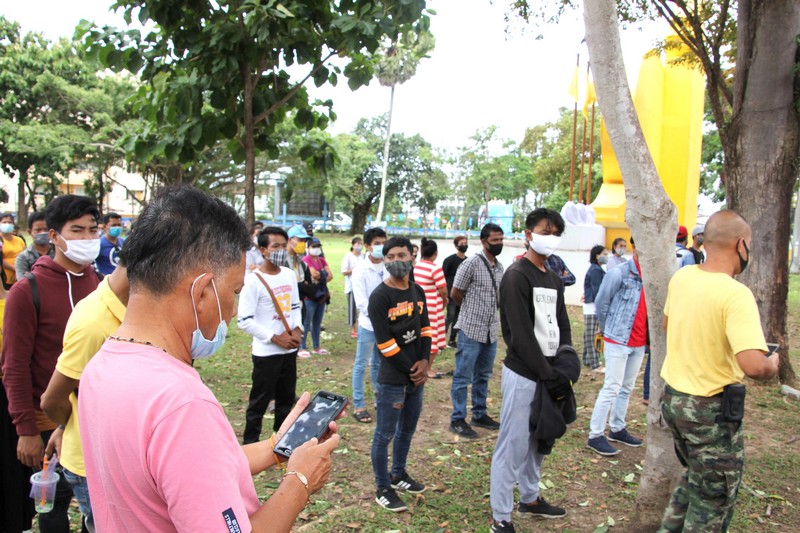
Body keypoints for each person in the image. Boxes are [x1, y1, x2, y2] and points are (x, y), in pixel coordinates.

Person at [78, 185, 339, 532]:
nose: (231, 311)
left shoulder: (101, 366)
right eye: (234, 291)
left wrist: (277, 446)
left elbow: (193, 469)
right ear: (201, 292)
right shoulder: (182, 403)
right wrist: (300, 481)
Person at [659, 210, 779, 532]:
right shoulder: (735, 294)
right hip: (709, 413)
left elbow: (668, 324)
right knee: (713, 501)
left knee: (695, 479)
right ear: (741, 245)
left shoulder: (683, 277)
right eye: (749, 244)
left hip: (675, 401)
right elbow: (753, 365)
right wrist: (771, 365)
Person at [2, 195, 103, 532]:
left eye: (92, 230)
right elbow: (14, 366)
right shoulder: (27, 291)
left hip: (90, 416)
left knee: (95, 501)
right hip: (46, 416)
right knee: (52, 502)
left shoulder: (99, 285)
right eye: (77, 230)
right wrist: (26, 430)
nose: (87, 238)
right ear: (55, 236)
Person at [490, 209, 571, 532]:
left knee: (541, 439)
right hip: (524, 373)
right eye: (544, 231)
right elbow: (520, 335)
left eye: (555, 233)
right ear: (528, 234)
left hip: (550, 373)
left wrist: (564, 365)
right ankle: (501, 516)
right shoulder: (516, 276)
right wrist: (546, 374)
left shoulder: (553, 278)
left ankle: (530, 497)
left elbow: (562, 324)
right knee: (514, 444)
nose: (550, 238)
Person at [40, 263, 130, 532]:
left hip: (115, 456)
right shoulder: (94, 323)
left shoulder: (126, 308)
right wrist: (67, 425)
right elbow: (52, 399)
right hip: (92, 465)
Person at [369, 236, 431, 512]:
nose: (396, 261)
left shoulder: (418, 291)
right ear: (384, 260)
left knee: (407, 428)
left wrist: (425, 362)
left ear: (412, 257)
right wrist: (412, 369)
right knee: (384, 434)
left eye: (401, 255)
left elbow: (426, 329)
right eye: (390, 256)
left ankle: (398, 473)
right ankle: (383, 487)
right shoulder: (380, 297)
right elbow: (385, 344)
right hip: (393, 378)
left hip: (417, 374)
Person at [238, 226, 303, 445]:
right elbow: (244, 320)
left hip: (289, 350)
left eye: (284, 246)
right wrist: (275, 338)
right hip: (266, 353)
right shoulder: (253, 281)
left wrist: (297, 329)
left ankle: (281, 444)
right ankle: (250, 445)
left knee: (286, 400)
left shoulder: (289, 275)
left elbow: (295, 306)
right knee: (259, 402)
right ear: (263, 250)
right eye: (275, 246)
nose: (281, 251)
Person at [586, 237, 647, 456]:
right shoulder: (620, 273)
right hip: (617, 339)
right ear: (636, 247)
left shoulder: (652, 275)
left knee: (627, 387)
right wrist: (607, 329)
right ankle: (595, 435)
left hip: (639, 341)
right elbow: (602, 301)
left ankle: (617, 428)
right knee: (611, 386)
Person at [448, 224, 504, 439]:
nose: (498, 243)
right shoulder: (471, 263)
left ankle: (479, 414)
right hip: (471, 329)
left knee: (484, 375)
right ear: (483, 241)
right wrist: (470, 311)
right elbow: (455, 293)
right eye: (495, 240)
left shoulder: (500, 267)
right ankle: (457, 419)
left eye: (501, 239)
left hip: (491, 330)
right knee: (463, 376)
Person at [350, 228, 388, 424]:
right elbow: (362, 303)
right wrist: (382, 316)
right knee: (361, 364)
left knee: (378, 364)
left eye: (384, 242)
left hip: (387, 325)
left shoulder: (388, 265)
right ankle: (359, 405)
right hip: (369, 325)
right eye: (377, 243)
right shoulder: (360, 270)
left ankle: (379, 398)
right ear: (367, 246)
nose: (381, 247)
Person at [413, 238, 448, 379]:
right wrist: (445, 301)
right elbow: (443, 290)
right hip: (432, 306)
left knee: (421, 334)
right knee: (432, 337)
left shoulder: (417, 266)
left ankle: (421, 364)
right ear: (435, 253)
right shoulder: (435, 269)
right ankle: (428, 369)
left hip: (418, 304)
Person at [287, 225, 315, 357]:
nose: (303, 244)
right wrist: (302, 286)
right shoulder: (281, 262)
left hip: (300, 307)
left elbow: (311, 288)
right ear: (290, 240)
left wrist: (299, 287)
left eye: (305, 241)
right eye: (300, 240)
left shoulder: (302, 263)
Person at [301, 238, 332, 355]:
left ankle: (316, 347)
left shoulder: (322, 260)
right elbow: (313, 274)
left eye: (318, 246)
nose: (316, 249)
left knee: (317, 322)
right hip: (310, 296)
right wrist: (323, 274)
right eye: (313, 246)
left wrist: (320, 277)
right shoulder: (305, 259)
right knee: (306, 322)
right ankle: (302, 347)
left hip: (321, 295)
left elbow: (330, 275)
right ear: (308, 248)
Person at [582, 245, 607, 371]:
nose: (606, 256)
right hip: (593, 306)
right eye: (604, 254)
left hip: (592, 305)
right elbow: (598, 290)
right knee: (592, 335)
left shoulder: (596, 269)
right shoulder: (596, 270)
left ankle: (587, 359)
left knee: (589, 334)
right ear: (597, 256)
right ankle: (595, 363)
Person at [442, 235, 468, 348]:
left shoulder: (468, 261)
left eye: (465, 243)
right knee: (450, 316)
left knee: (458, 318)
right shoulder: (449, 260)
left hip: (462, 294)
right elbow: (443, 276)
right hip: (450, 293)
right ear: (456, 246)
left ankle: (452, 340)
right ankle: (441, 339)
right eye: (462, 244)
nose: (464, 246)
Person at [15, 211, 55, 280]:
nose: (42, 232)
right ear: (29, 232)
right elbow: (22, 282)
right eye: (38, 230)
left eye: (46, 229)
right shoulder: (23, 257)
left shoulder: (59, 253)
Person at [341, 236, 364, 339]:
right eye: (357, 244)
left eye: (361, 244)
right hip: (351, 286)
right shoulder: (348, 256)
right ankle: (353, 329)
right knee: (352, 308)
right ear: (353, 245)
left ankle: (361, 327)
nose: (359, 246)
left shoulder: (364, 256)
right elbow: (344, 272)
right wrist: (355, 269)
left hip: (362, 285)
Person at [1, 212, 27, 289]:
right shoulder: (0, 241)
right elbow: (1, 259)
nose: (7, 224)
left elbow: (25, 256)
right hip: (4, 277)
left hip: (20, 276)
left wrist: (19, 270)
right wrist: (15, 268)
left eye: (10, 222)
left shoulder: (19, 240)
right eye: (4, 222)